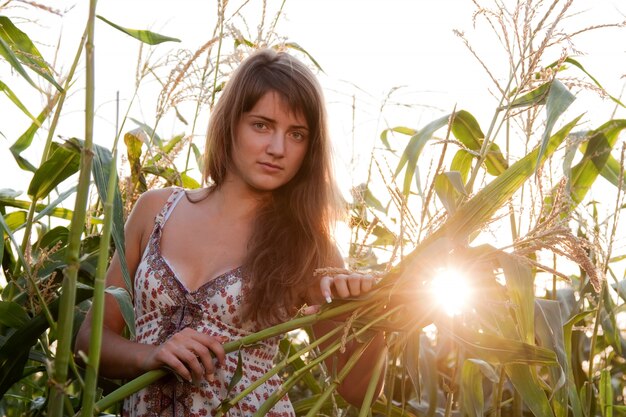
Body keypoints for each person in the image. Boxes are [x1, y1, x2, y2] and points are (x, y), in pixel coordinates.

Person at [75, 48, 386, 417]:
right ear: (231, 123)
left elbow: (358, 389)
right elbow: (88, 345)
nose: (277, 148)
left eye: (297, 134)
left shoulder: (308, 248)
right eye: (262, 125)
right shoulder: (156, 210)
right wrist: (151, 355)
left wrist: (370, 317)